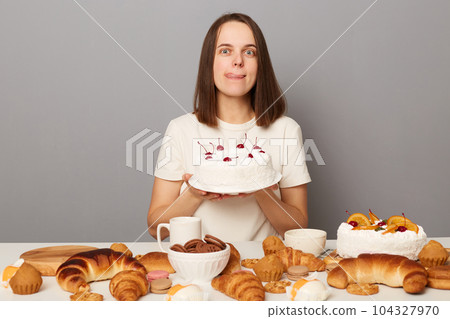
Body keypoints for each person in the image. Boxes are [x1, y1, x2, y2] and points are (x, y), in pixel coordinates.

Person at [147, 13, 311, 242]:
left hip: (265, 270)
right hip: (197, 267)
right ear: (209, 62)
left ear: (260, 64)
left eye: (249, 52)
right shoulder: (180, 129)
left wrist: (260, 186)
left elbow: (299, 228)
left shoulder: (286, 130)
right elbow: (156, 228)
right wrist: (195, 193)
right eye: (225, 50)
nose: (238, 61)